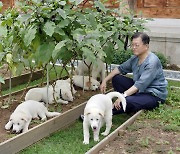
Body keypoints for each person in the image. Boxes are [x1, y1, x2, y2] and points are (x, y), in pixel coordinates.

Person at [100, 32, 168, 115]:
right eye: (132, 45)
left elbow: (139, 85)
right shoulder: (135, 58)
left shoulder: (152, 62)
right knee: (117, 79)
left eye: (137, 45)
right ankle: (132, 102)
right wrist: (105, 80)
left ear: (146, 46)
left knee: (126, 101)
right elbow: (120, 68)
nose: (133, 48)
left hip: (153, 95)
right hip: (140, 91)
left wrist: (123, 96)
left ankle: (101, 114)